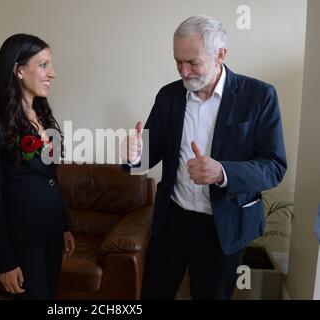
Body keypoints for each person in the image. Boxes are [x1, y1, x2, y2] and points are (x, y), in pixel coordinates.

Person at [122, 15, 286, 299]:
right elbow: (148, 153)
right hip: (172, 221)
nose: (183, 72)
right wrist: (135, 155)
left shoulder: (259, 96)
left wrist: (222, 172)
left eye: (193, 62)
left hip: (222, 229)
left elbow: (274, 166)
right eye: (177, 61)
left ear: (220, 54)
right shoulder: (168, 96)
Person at [0, 34, 75, 300]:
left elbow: (50, 178)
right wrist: (4, 261)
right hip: (23, 238)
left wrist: (63, 225)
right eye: (43, 65)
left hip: (51, 229)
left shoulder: (42, 114)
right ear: (18, 70)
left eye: (50, 65)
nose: (52, 73)